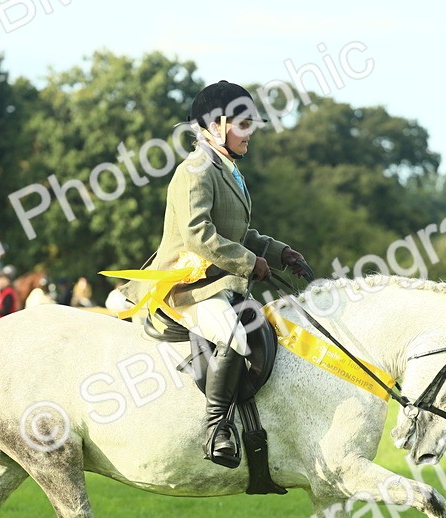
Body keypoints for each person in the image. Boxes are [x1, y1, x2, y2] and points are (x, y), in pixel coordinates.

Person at [116, 80, 308, 467]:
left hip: (216, 281)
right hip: (187, 283)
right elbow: (198, 234)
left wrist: (279, 252)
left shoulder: (228, 170)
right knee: (234, 336)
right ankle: (216, 428)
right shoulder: (195, 170)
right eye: (243, 124)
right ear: (217, 125)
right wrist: (250, 262)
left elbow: (240, 233)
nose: (250, 132)